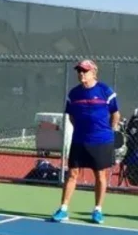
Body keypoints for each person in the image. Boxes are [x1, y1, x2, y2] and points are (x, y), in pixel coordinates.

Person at [50, 59, 120, 224]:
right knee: (72, 174)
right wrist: (82, 130)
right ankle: (63, 209)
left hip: (102, 141)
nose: (81, 73)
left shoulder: (105, 91)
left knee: (100, 175)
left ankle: (97, 210)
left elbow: (115, 114)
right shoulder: (73, 94)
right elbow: (72, 117)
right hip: (79, 140)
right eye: (79, 71)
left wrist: (109, 130)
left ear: (93, 72)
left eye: (85, 71)